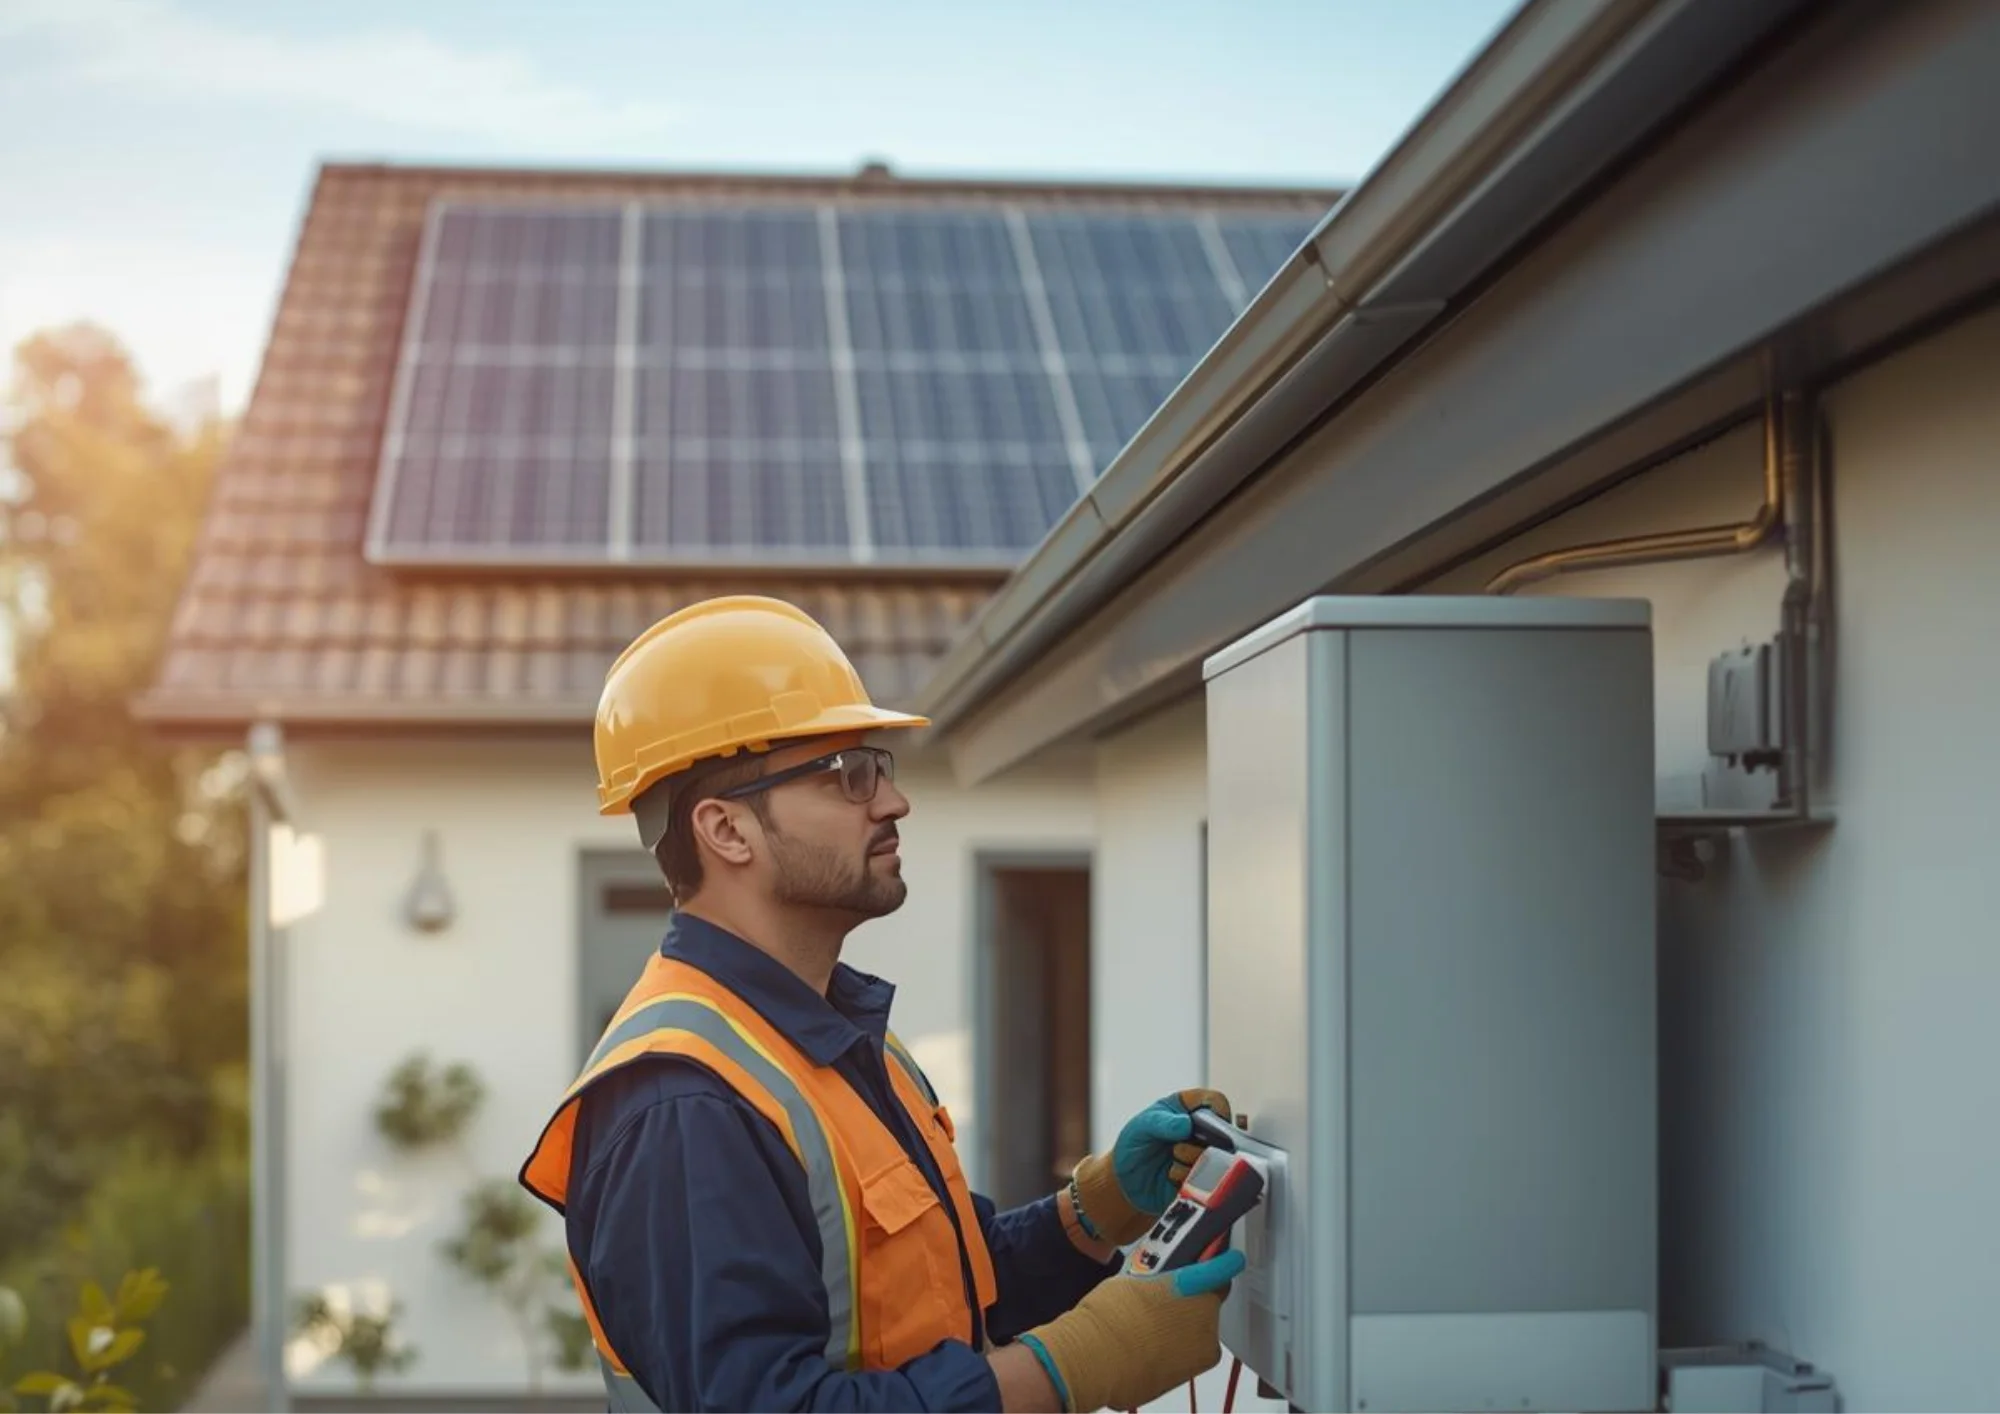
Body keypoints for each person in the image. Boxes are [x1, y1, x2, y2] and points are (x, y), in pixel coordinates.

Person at [520, 595, 1243, 1413]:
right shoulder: (685, 1103)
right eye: (847, 775)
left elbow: (950, 1284)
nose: (893, 802)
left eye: (879, 770)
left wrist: (1095, 1210)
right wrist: (1076, 1364)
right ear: (726, 831)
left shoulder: (835, 1039)